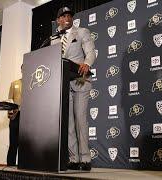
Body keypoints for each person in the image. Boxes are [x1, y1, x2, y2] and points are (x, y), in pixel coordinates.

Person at [51, 7, 96, 171]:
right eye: (63, 16)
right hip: (62, 84)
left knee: (80, 120)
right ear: (58, 20)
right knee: (68, 122)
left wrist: (87, 63)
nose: (67, 17)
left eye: (69, 15)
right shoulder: (54, 38)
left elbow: (91, 52)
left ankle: (85, 158)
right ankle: (74, 158)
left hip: (80, 80)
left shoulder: (82, 32)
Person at [7, 71, 22, 166]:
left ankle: (24, 164)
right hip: (16, 115)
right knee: (13, 141)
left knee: (25, 142)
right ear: (21, 70)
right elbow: (10, 100)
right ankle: (10, 164)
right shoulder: (14, 83)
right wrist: (10, 113)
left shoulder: (33, 83)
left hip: (28, 116)